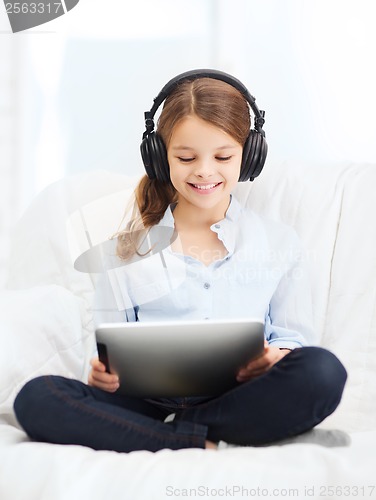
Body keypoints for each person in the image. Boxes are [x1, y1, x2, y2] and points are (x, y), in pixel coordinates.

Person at [13, 69, 347, 452]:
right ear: (160, 157)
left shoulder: (278, 243)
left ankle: (184, 429)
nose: (204, 170)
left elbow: (292, 340)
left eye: (223, 156)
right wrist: (101, 373)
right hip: (144, 404)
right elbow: (109, 344)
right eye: (186, 157)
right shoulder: (125, 251)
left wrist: (277, 356)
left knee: (323, 372)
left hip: (240, 399)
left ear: (250, 155)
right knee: (38, 397)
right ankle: (185, 438)